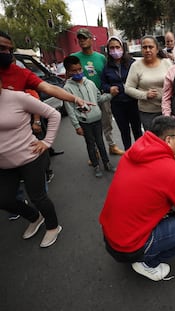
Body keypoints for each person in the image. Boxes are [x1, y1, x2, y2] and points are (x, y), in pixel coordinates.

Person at [99, 116, 175, 281]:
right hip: (129, 248)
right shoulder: (171, 171)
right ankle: (148, 261)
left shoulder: (132, 153)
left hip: (110, 237)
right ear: (169, 140)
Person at [0, 76, 62, 248]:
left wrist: (47, 142)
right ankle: (35, 218)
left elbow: (54, 114)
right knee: (4, 200)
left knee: (38, 197)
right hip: (4, 165)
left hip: (30, 157)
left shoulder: (17, 97)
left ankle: (53, 226)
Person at [72, 28, 124, 156]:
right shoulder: (74, 58)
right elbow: (70, 77)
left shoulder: (101, 58)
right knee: (89, 126)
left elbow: (108, 76)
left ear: (91, 39)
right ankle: (94, 151)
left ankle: (112, 146)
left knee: (107, 122)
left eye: (85, 37)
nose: (82, 40)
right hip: (83, 98)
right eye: (80, 38)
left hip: (102, 95)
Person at [63, 55, 116, 178]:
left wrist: (111, 95)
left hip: (97, 119)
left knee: (101, 142)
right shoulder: (67, 88)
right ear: (68, 72)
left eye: (79, 69)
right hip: (84, 122)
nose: (78, 73)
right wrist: (77, 126)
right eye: (74, 71)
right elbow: (70, 109)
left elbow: (99, 98)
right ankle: (96, 165)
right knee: (90, 144)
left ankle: (107, 163)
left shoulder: (90, 83)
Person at [101, 36, 142, 150]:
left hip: (133, 102)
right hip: (117, 104)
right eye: (112, 48)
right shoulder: (107, 67)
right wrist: (109, 88)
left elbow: (141, 78)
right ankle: (128, 154)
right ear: (108, 51)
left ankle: (141, 154)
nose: (115, 50)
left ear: (122, 48)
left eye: (117, 47)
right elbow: (103, 83)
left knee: (137, 130)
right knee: (124, 132)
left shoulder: (132, 63)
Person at [125, 35, 172, 131]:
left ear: (157, 49)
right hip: (147, 112)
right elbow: (128, 88)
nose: (147, 50)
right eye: (144, 47)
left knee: (167, 139)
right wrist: (145, 95)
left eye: (151, 47)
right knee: (152, 140)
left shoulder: (167, 63)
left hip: (167, 110)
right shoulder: (136, 66)